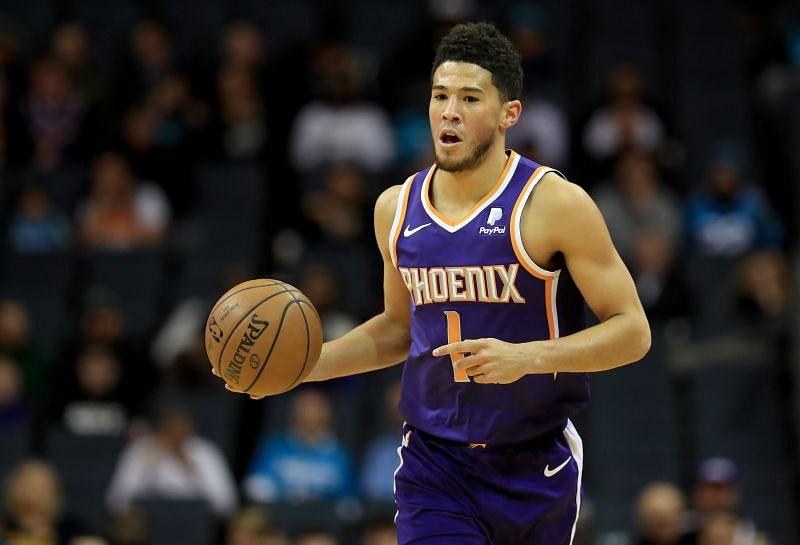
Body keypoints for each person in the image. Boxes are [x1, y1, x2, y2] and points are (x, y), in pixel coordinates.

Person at [221, 22, 650, 545]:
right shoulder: (395, 209)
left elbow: (633, 332)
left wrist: (529, 357)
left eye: (470, 98)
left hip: (535, 463)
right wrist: (299, 366)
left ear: (508, 113)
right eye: (440, 96)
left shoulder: (555, 204)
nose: (449, 111)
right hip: (434, 465)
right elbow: (397, 331)